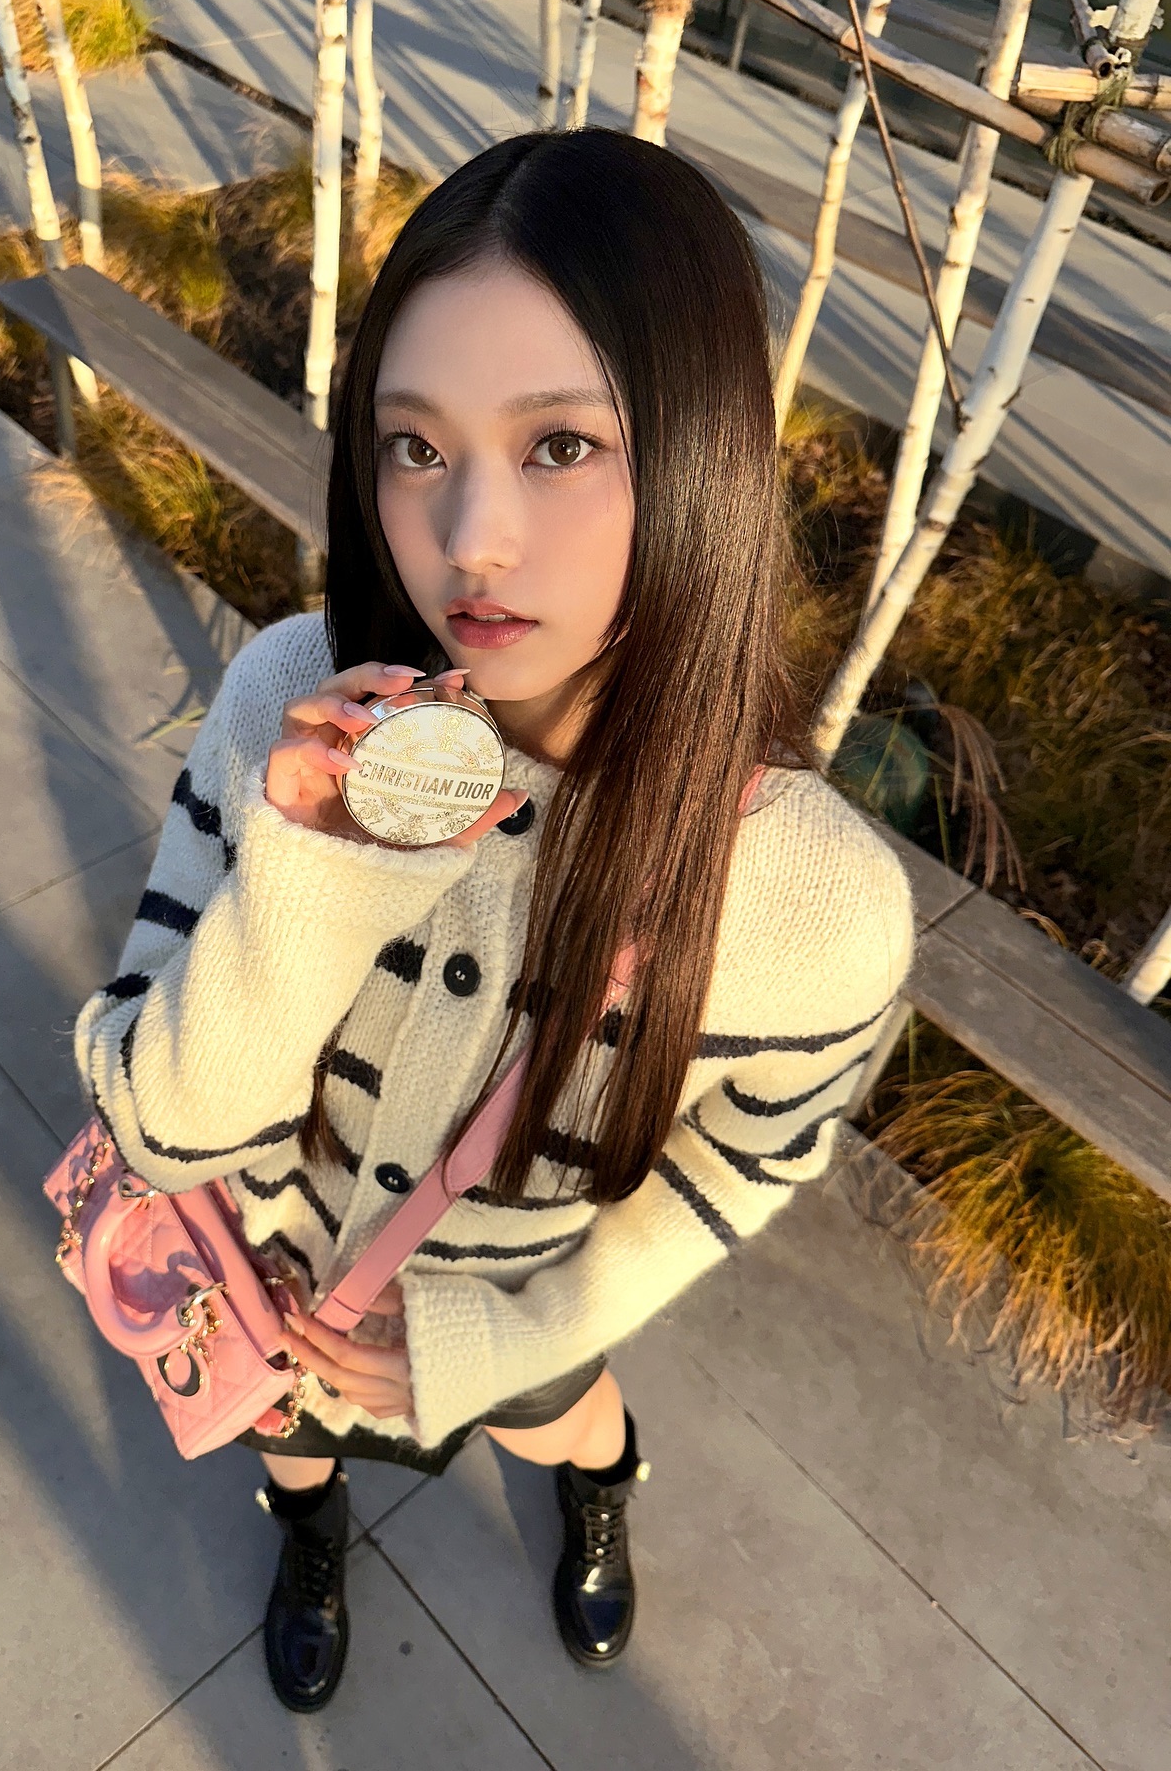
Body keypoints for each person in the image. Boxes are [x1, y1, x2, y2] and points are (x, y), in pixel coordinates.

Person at [75, 127, 912, 1711]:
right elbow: (162, 1124)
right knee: (285, 1432)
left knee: (559, 1413)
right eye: (414, 446)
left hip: (512, 1301)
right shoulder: (289, 701)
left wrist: (515, 1334)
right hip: (263, 1277)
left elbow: (748, 1163)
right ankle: (307, 1536)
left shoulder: (814, 904)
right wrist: (315, 870)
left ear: (705, 453)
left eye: (561, 445)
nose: (469, 539)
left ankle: (599, 1483)